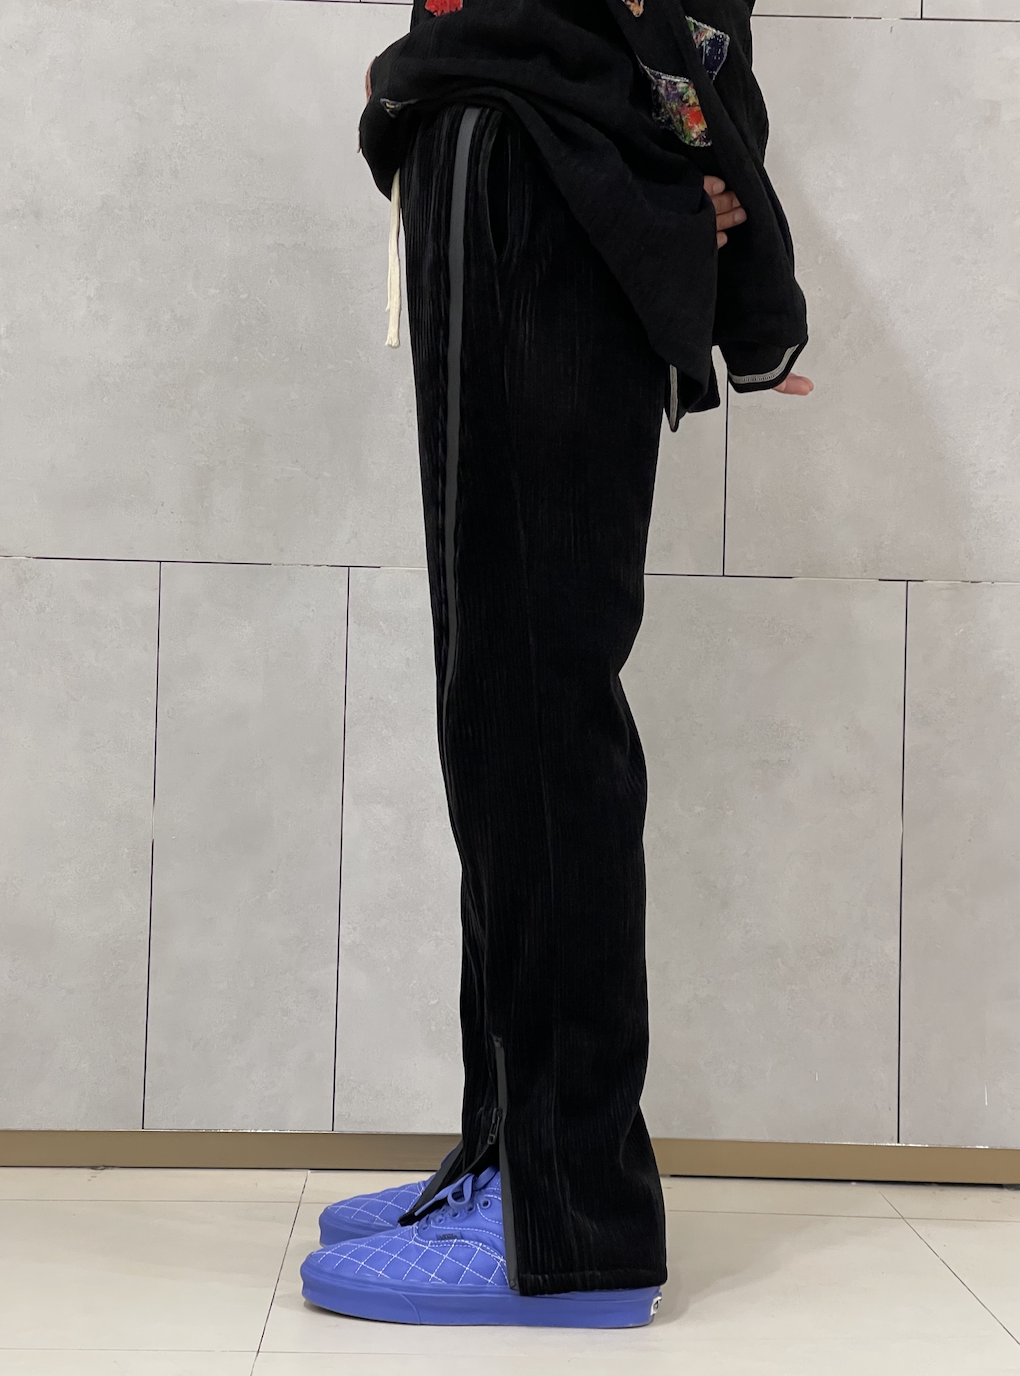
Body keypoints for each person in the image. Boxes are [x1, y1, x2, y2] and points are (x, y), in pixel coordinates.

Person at [300, 0, 813, 1330]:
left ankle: (569, 1220)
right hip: (514, 146)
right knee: (500, 700)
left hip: (547, 161)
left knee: (537, 704)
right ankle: (511, 1157)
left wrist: (707, 160)